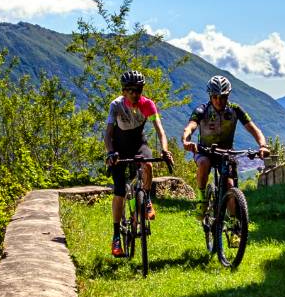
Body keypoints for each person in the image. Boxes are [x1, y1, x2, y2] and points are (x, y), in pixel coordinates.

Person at [180, 75, 269, 220]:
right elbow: (190, 127)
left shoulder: (235, 110)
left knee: (229, 184)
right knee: (204, 163)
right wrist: (186, 141)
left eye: (223, 97)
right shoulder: (202, 110)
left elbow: (254, 129)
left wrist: (263, 146)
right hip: (205, 151)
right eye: (215, 96)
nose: (218, 100)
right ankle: (202, 199)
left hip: (226, 152)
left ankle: (235, 226)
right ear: (210, 96)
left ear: (228, 95)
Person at [105, 69, 171, 257]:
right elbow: (108, 134)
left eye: (138, 90)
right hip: (118, 148)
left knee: (148, 165)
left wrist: (165, 149)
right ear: (124, 91)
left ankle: (147, 198)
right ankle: (116, 236)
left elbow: (160, 131)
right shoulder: (116, 105)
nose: (135, 94)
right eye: (131, 90)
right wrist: (110, 152)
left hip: (138, 144)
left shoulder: (148, 105)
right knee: (119, 190)